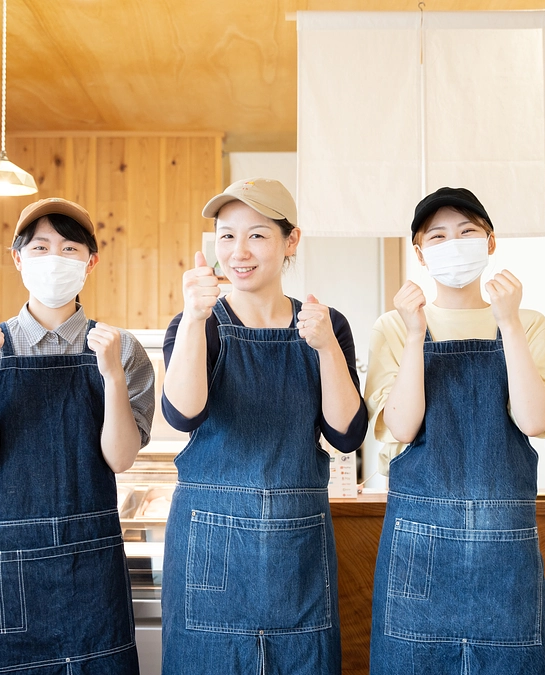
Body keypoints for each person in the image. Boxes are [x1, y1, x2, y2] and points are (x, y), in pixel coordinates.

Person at [0, 197, 155, 675]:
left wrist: (113, 378)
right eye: (39, 247)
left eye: (69, 248)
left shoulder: (122, 348)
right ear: (17, 258)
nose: (54, 259)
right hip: (9, 573)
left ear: (91, 262)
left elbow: (120, 459)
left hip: (93, 566)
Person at [159, 178, 368, 674]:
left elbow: (346, 434)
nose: (238, 252)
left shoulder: (326, 324)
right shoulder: (199, 324)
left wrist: (326, 349)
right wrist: (192, 319)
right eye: (226, 236)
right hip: (211, 546)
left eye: (256, 235)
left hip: (297, 550)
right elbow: (182, 414)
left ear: (290, 241)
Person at [365, 188, 545, 674]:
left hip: (506, 547)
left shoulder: (529, 324)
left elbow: (534, 421)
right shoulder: (394, 327)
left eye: (467, 232)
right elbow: (403, 426)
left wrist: (509, 324)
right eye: (437, 236)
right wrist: (416, 335)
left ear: (490, 241)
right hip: (419, 546)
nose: (453, 244)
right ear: (419, 252)